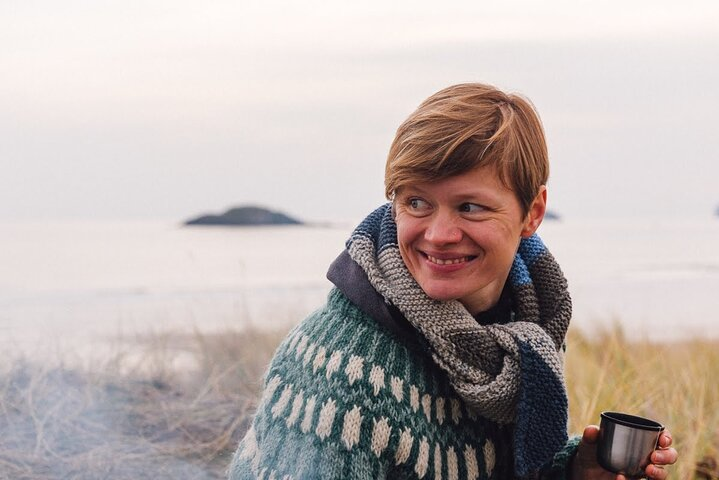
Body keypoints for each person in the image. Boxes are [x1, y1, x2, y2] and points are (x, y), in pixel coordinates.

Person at [228, 83, 677, 479]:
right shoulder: (348, 371)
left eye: (470, 207)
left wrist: (574, 470)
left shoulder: (527, 332)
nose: (439, 235)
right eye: (417, 202)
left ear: (533, 213)